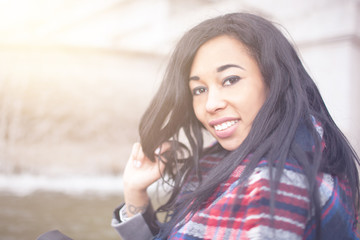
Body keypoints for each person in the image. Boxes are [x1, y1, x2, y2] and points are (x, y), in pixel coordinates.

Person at [111, 12, 360, 239]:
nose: (211, 104)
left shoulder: (277, 181)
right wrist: (135, 192)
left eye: (230, 80)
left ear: (274, 81)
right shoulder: (300, 150)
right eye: (199, 89)